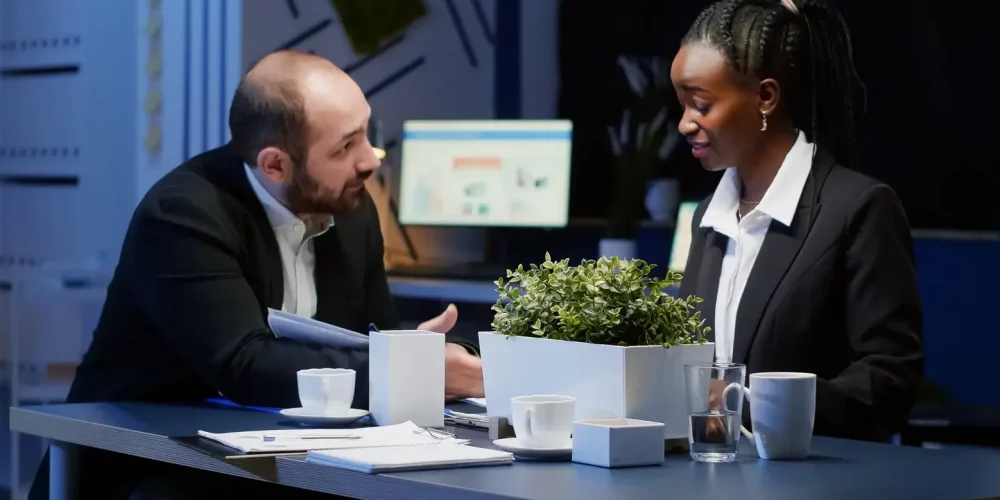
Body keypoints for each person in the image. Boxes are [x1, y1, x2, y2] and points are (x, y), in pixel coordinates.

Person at [29, 50, 484, 499]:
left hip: (282, 453)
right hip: (150, 461)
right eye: (346, 146)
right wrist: (401, 368)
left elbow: (370, 338)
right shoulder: (183, 214)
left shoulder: (350, 207)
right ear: (275, 164)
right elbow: (243, 364)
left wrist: (417, 351)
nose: (370, 161)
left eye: (365, 133)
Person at [673, 0, 923, 441]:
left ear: (766, 97)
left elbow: (888, 380)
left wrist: (744, 403)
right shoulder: (706, 217)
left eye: (700, 105)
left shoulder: (859, 207)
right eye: (682, 105)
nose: (684, 124)